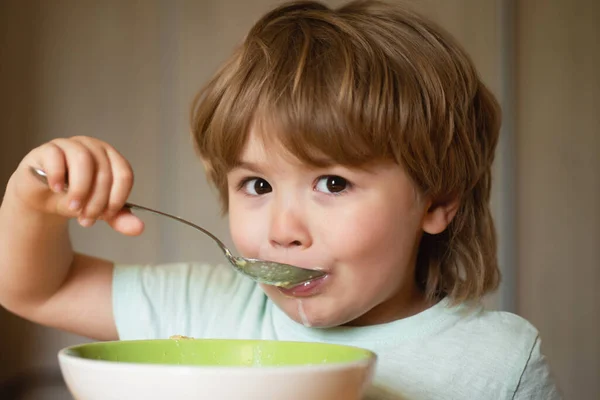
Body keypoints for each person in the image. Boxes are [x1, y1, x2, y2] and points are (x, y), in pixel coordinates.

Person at [0, 1, 561, 398]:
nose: (283, 229)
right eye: (258, 185)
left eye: (333, 184)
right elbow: (36, 289)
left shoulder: (499, 363)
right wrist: (33, 194)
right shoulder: (201, 309)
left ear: (437, 200)